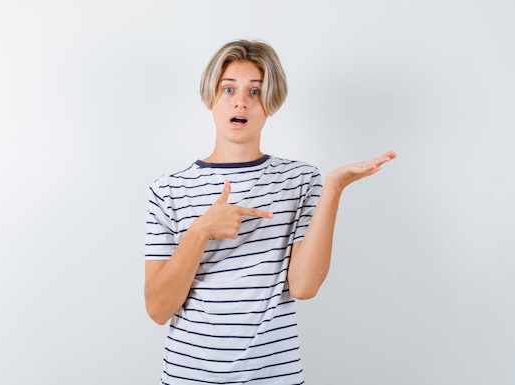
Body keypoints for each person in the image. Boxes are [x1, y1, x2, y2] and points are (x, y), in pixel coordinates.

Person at [144, 39, 396, 384]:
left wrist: (333, 189)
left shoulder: (301, 181)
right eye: (228, 88)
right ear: (211, 98)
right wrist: (200, 231)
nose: (241, 101)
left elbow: (304, 286)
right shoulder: (168, 189)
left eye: (255, 92)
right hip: (189, 377)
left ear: (271, 103)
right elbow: (157, 310)